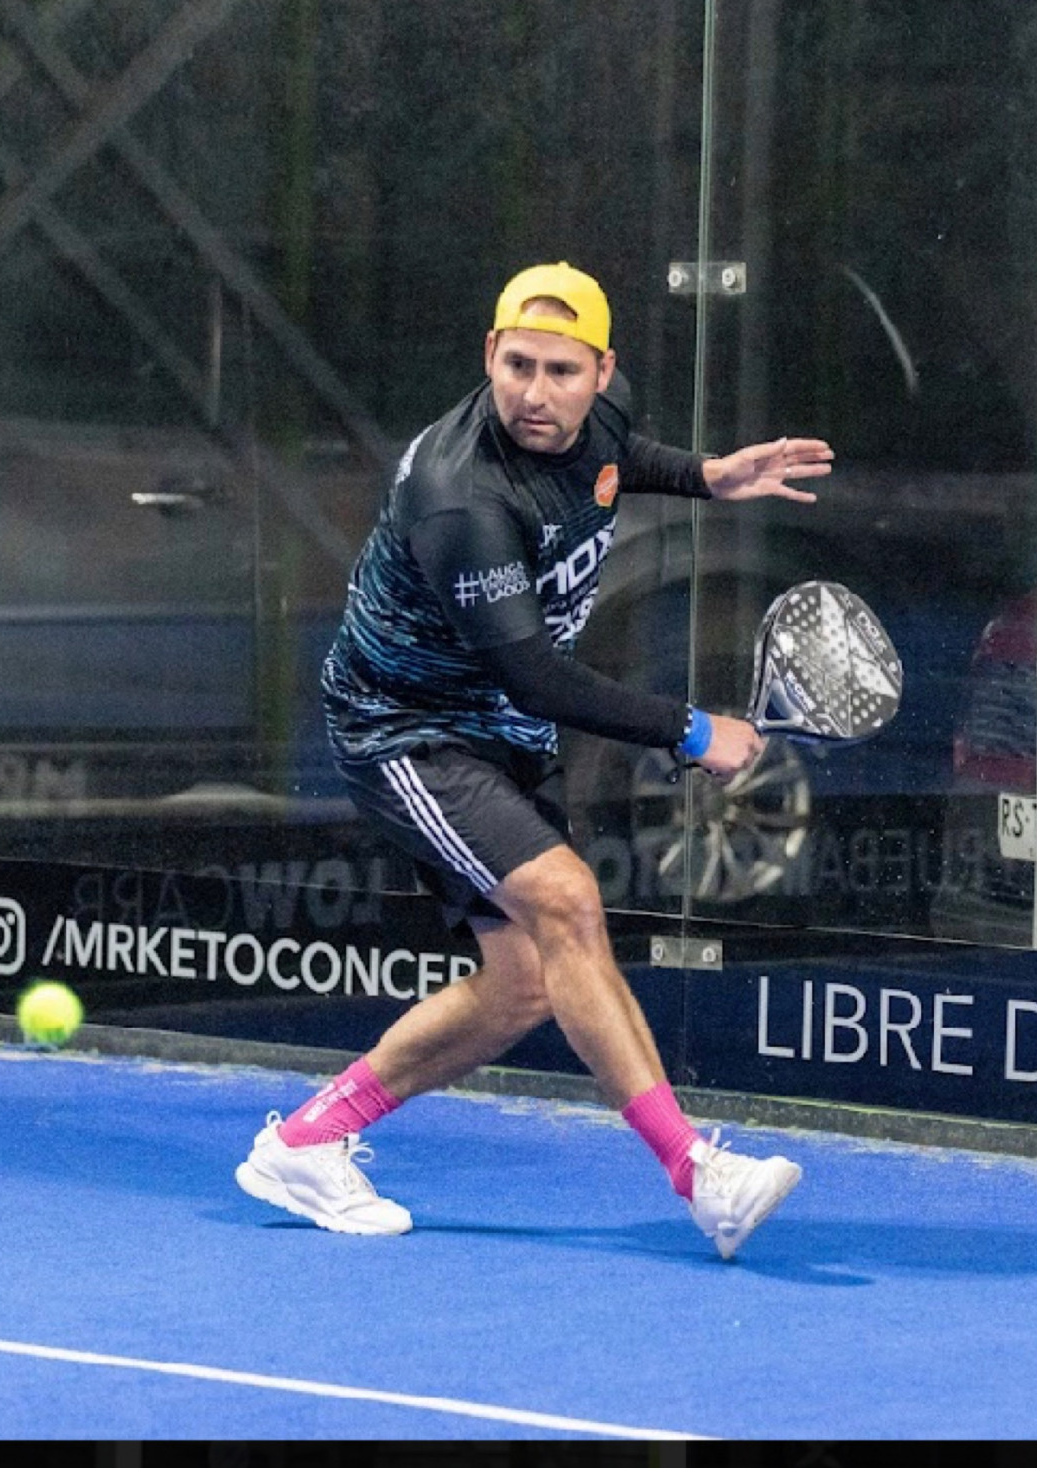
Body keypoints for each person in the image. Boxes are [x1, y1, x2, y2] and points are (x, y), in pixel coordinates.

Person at [235, 261, 834, 1258]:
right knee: (567, 903)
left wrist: (705, 476)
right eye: (516, 366)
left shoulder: (595, 414)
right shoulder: (459, 499)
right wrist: (693, 730)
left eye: (561, 371)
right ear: (489, 355)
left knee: (519, 984)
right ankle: (699, 1173)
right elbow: (535, 676)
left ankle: (306, 1140)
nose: (534, 392)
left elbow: (612, 458)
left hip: (500, 730)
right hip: (407, 728)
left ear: (602, 370)